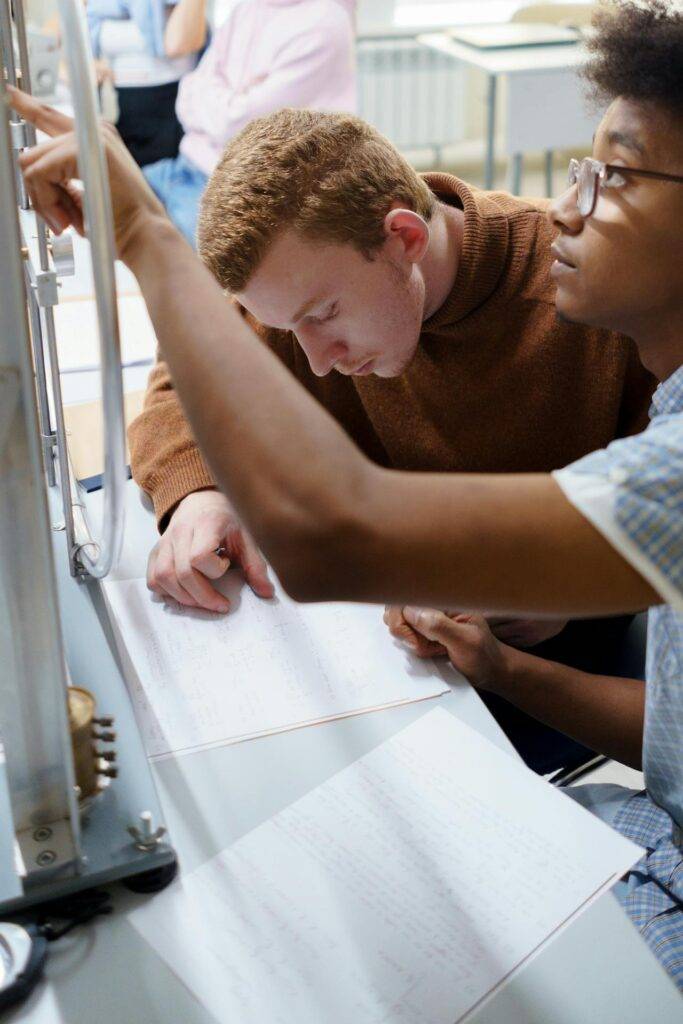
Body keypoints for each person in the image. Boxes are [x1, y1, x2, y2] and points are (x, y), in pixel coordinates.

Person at [11, 0, 683, 988]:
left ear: (403, 237)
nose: (569, 206)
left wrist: (147, 238)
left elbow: (340, 530)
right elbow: (668, 747)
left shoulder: (625, 388)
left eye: (611, 176)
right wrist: (194, 492)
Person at [131, 58, 653, 774]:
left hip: (532, 691)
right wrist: (195, 490)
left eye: (323, 317)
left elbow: (654, 518)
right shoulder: (298, 283)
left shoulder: (589, 294)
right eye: (288, 330)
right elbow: (179, 382)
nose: (315, 360)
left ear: (404, 237)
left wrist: (569, 601)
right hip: (372, 667)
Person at [142, 0, 357, 245]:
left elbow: (237, 128)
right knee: (106, 193)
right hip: (186, 169)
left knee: (143, 250)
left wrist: (214, 97)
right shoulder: (247, 9)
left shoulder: (324, 24)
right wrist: (229, 103)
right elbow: (187, 92)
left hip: (240, 192)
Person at [87, 0, 207, 167]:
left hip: (173, 124)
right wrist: (90, 64)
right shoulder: (99, 6)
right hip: (125, 123)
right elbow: (61, 43)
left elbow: (178, 44)